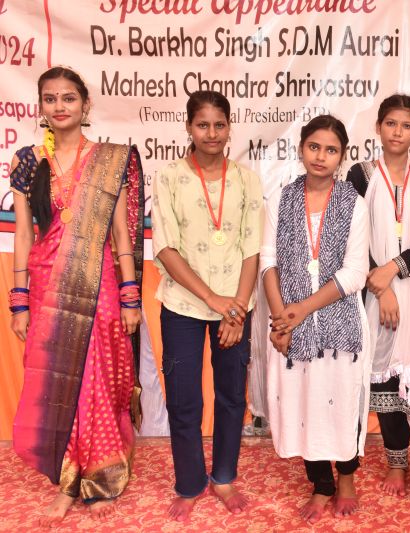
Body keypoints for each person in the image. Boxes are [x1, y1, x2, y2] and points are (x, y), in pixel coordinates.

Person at [9, 66, 144, 526]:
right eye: (50, 98)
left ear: (86, 105)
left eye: (69, 98)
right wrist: (19, 300)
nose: (60, 106)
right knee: (57, 382)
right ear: (41, 106)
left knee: (96, 379)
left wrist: (130, 296)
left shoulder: (108, 159)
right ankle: (68, 481)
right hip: (46, 283)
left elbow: (121, 233)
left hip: (99, 282)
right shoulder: (28, 162)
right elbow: (24, 234)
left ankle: (101, 475)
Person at [151, 90, 263, 521]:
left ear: (230, 127)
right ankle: (189, 482)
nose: (211, 133)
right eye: (203, 125)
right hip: (183, 304)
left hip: (235, 305)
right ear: (188, 127)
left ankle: (224, 477)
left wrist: (237, 308)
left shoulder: (246, 180)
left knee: (231, 396)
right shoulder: (169, 177)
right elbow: (166, 248)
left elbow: (251, 250)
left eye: (219, 125)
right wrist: (213, 299)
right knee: (184, 399)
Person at [262, 115, 370, 524]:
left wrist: (303, 309)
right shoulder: (281, 199)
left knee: (340, 401)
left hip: (339, 324)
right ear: (301, 148)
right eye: (314, 147)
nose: (321, 156)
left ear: (342, 156)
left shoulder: (353, 204)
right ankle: (321, 484)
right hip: (289, 321)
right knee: (305, 403)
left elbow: (355, 272)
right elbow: (268, 262)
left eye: (331, 150)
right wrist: (281, 320)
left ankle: (347, 478)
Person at [346, 94, 410, 496]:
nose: (397, 132)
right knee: (384, 382)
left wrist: (394, 269)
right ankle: (397, 464)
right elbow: (353, 235)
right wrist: (380, 286)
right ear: (378, 127)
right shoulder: (361, 174)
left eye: (405, 125)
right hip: (374, 294)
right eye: (390, 123)